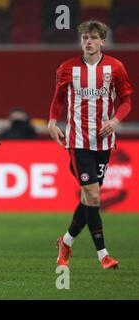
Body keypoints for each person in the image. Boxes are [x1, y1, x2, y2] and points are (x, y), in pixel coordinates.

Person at [48, 20, 132, 270]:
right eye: (85, 37)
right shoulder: (67, 68)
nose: (88, 41)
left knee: (89, 197)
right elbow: (58, 99)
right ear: (81, 41)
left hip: (104, 141)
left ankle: (65, 241)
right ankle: (103, 255)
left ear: (102, 41)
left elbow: (127, 100)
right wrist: (52, 121)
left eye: (94, 37)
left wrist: (115, 120)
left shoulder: (116, 68)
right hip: (78, 141)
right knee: (94, 195)